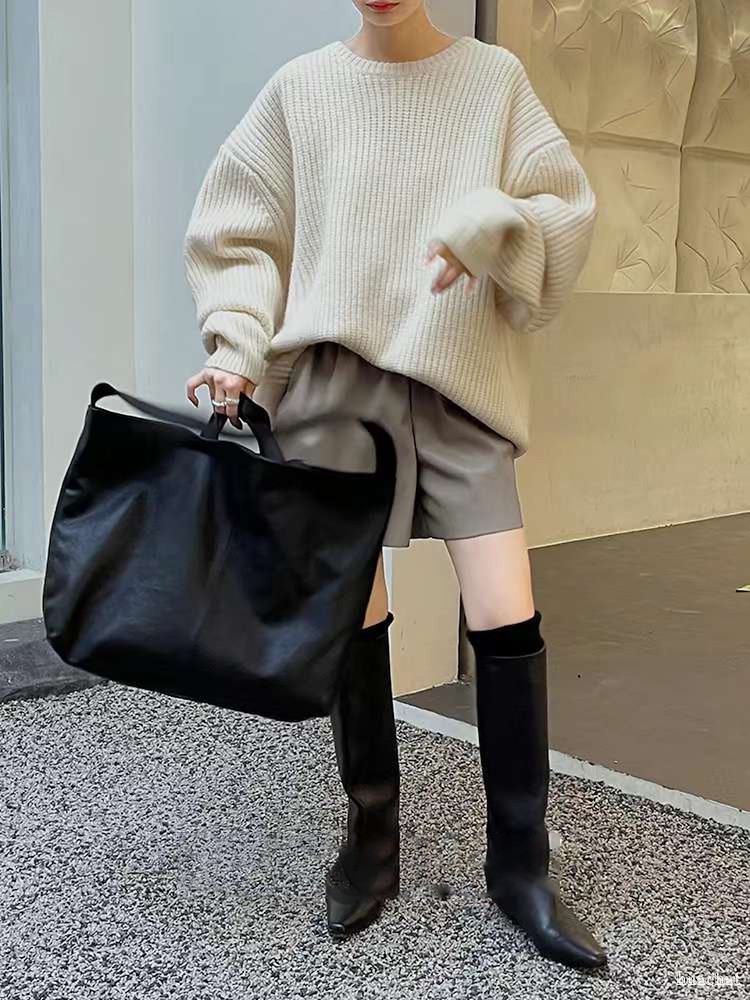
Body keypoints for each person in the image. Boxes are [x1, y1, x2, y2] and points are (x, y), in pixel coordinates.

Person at [183, 0, 606, 971]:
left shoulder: (492, 82)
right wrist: (236, 346)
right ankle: (371, 835)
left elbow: (562, 213)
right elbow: (240, 231)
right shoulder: (302, 90)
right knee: (357, 609)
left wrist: (494, 222)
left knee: (504, 610)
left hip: (459, 381)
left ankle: (521, 865)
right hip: (334, 387)